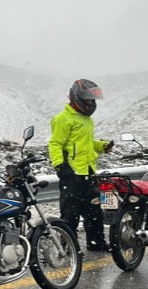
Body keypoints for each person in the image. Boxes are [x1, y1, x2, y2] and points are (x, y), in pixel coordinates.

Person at [48, 79, 113, 252]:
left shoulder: (86, 120)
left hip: (89, 172)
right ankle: (68, 248)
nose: (91, 104)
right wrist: (61, 166)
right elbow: (55, 144)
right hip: (72, 174)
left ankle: (96, 243)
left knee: (94, 211)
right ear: (77, 98)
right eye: (88, 100)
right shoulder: (63, 118)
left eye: (93, 101)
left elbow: (87, 143)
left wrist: (102, 146)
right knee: (70, 214)